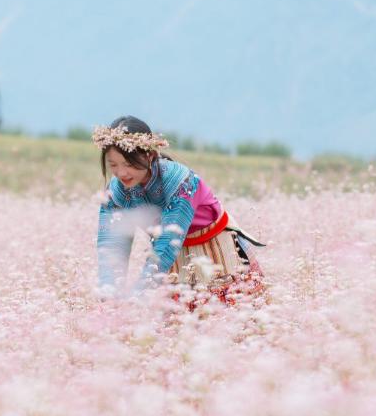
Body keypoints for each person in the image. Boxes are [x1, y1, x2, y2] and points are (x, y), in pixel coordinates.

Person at [93, 115, 267, 310]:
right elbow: (111, 246)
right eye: (114, 165)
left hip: (213, 248)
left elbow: (169, 241)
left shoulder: (180, 181)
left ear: (149, 155)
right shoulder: (114, 193)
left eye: (129, 163)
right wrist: (109, 298)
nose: (121, 173)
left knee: (225, 320)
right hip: (172, 258)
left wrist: (138, 295)